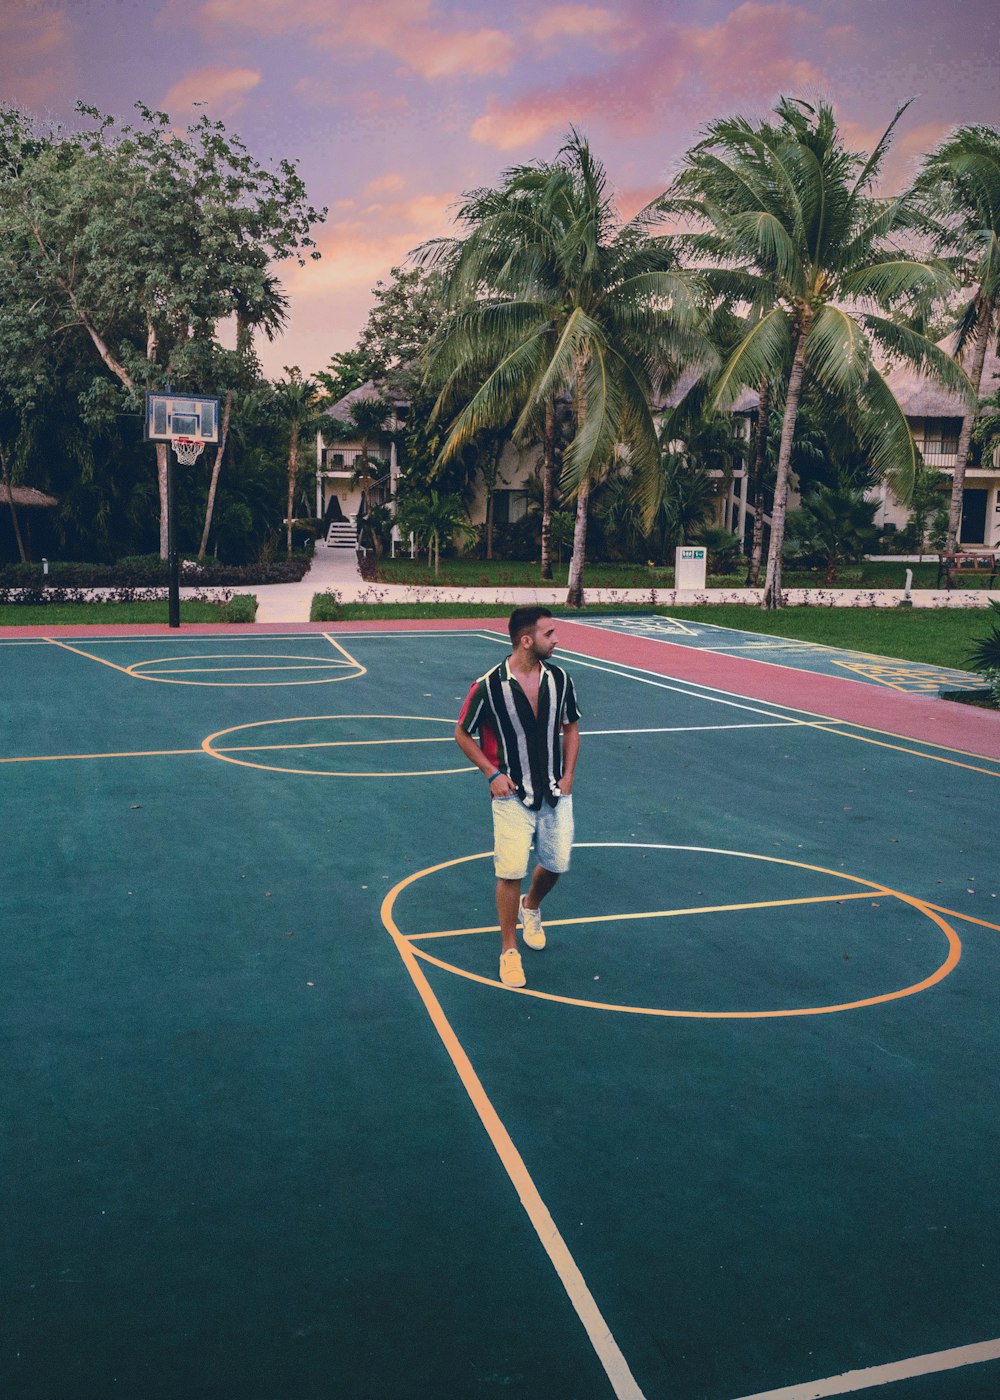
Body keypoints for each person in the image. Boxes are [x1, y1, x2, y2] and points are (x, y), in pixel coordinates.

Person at [455, 606, 580, 987]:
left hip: (555, 792)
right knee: (510, 870)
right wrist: (491, 773)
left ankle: (532, 905)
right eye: (549, 634)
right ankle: (509, 950)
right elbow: (461, 733)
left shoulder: (560, 678)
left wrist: (570, 774)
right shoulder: (488, 685)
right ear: (526, 640)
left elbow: (571, 727)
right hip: (511, 796)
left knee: (556, 864)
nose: (556, 640)